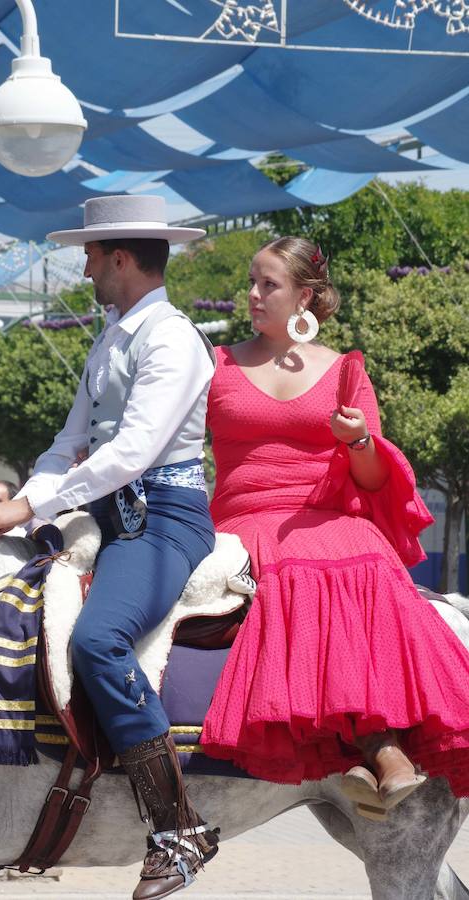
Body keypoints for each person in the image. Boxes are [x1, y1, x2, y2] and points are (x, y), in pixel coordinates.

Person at [0, 195, 219, 900]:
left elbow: (132, 454)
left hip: (163, 520)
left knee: (98, 642)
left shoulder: (173, 339)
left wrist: (35, 503)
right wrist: (22, 506)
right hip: (106, 515)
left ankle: (177, 831)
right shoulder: (110, 336)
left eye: (89, 253)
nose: (83, 266)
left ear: (120, 258)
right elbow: (68, 445)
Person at [200, 236, 469, 811]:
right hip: (245, 521)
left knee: (362, 555)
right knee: (298, 566)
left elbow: (372, 482)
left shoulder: (346, 371)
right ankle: (378, 749)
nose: (251, 294)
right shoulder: (216, 363)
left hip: (327, 517)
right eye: (251, 281)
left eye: (267, 284)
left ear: (306, 295)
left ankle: (367, 747)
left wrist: (361, 441)